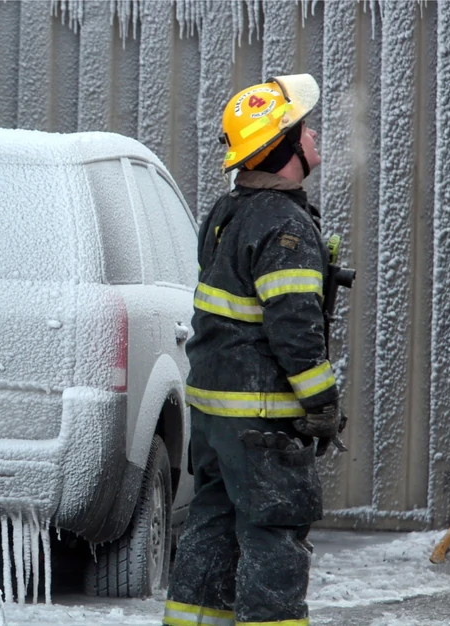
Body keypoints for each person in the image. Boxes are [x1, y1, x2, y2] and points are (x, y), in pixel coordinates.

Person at [162, 73, 346, 626]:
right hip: (261, 418)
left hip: (216, 415)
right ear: (286, 147)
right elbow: (294, 327)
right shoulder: (284, 225)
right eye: (304, 129)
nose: (314, 138)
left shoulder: (228, 212)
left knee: (213, 527)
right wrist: (321, 400)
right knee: (273, 533)